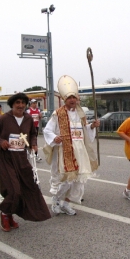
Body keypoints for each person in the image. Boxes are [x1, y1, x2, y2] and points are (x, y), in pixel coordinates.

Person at [0, 93, 51, 232]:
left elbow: (33, 133)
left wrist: (33, 144)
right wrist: (0, 142)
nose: (21, 105)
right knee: (13, 189)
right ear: (12, 104)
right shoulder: (4, 119)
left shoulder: (28, 119)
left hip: (22, 158)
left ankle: (11, 214)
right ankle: (5, 215)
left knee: (26, 187)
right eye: (17, 102)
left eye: (23, 103)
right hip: (7, 158)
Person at [43, 75, 100, 215]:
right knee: (65, 179)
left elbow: (84, 130)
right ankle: (56, 201)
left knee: (79, 179)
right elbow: (47, 130)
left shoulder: (81, 114)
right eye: (69, 98)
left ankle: (66, 203)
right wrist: (55, 137)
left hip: (80, 149)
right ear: (64, 99)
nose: (72, 100)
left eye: (74, 97)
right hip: (64, 150)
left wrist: (92, 126)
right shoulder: (58, 114)